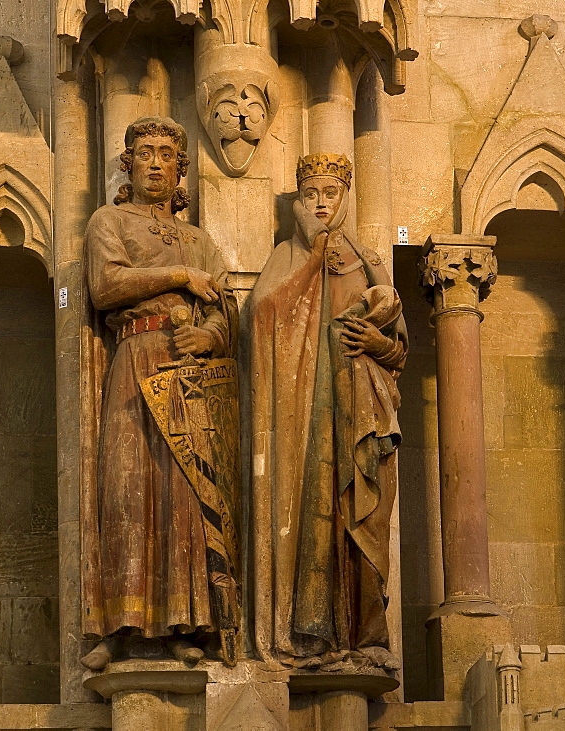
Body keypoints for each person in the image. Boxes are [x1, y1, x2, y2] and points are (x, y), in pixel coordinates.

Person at [81, 117, 240, 670]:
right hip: (135, 357)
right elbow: (105, 287)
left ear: (180, 170)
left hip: (189, 370)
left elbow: (226, 309)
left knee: (183, 495)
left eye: (166, 154)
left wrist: (211, 334)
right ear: (128, 164)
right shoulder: (110, 221)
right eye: (143, 152)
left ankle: (183, 622)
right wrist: (178, 276)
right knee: (126, 485)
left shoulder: (200, 240)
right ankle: (118, 625)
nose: (154, 162)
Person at [249, 153, 407, 670]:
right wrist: (310, 258)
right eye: (312, 194)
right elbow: (258, 319)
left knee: (367, 518)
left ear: (345, 198)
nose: (321, 203)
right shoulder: (287, 254)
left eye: (330, 194)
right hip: (310, 410)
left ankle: (367, 636)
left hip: (365, 406)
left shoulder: (368, 261)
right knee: (315, 514)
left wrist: (377, 343)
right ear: (299, 201)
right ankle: (316, 633)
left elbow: (400, 350)